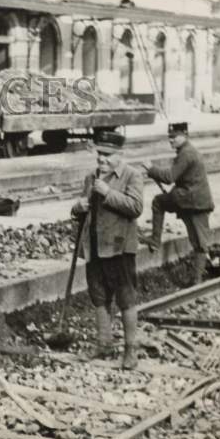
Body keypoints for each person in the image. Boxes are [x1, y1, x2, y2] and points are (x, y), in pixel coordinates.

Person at [71, 131, 145, 370]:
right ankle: (103, 343)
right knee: (99, 295)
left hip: (119, 247)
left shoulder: (132, 175)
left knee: (125, 297)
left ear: (120, 155)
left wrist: (108, 193)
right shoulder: (90, 177)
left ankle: (130, 350)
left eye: (108, 155)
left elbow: (135, 208)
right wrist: (77, 207)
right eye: (99, 154)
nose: (102, 159)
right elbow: (79, 208)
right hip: (93, 246)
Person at [140, 122, 215, 287]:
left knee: (200, 243)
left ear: (185, 135)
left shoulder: (186, 154)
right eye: (169, 137)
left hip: (193, 202)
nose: (171, 140)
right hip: (190, 198)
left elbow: (169, 177)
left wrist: (151, 169)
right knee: (160, 203)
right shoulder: (187, 151)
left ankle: (196, 281)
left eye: (174, 137)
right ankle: (197, 278)